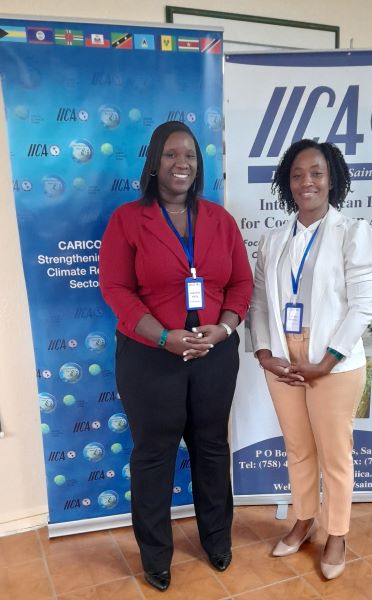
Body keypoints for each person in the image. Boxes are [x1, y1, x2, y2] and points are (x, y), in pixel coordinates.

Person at [99, 121, 252, 592]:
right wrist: (164, 336)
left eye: (189, 155)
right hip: (150, 357)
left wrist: (224, 328)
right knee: (154, 455)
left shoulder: (220, 220)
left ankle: (217, 540)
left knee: (211, 448)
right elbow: (116, 289)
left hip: (213, 354)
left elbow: (241, 283)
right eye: (170, 154)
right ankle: (155, 556)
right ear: (154, 163)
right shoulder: (128, 219)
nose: (181, 163)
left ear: (199, 165)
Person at [250, 139, 372, 580]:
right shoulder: (274, 240)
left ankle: (337, 532)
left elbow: (364, 305)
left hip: (333, 364)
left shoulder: (352, 232)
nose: (307, 181)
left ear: (332, 179)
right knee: (298, 448)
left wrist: (327, 361)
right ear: (286, 184)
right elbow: (259, 303)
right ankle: (304, 519)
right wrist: (264, 353)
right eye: (297, 174)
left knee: (335, 454)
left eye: (316, 173)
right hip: (284, 363)